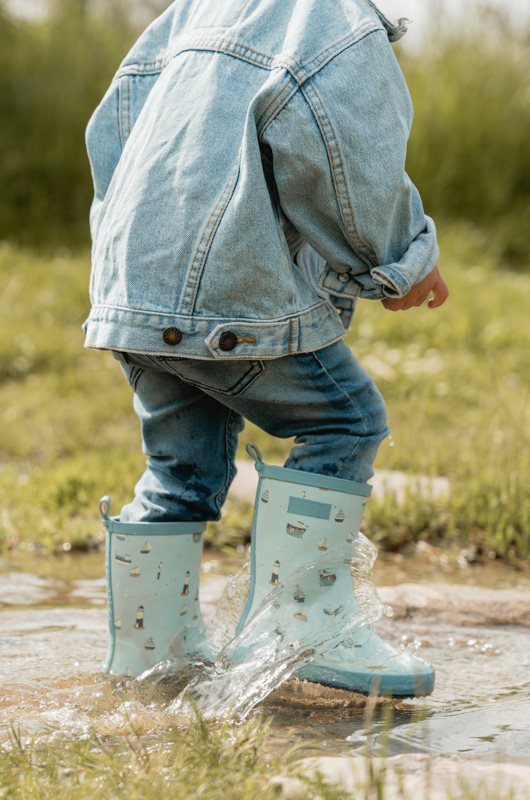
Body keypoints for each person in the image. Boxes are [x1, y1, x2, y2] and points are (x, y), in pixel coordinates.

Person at [86, 0, 448, 692]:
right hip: (230, 289)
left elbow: (113, 133)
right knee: (345, 419)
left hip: (133, 284)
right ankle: (302, 628)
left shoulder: (193, 10)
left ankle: (149, 660)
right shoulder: (333, 20)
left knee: (178, 473)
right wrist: (400, 253)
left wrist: (124, 274)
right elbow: (345, 153)